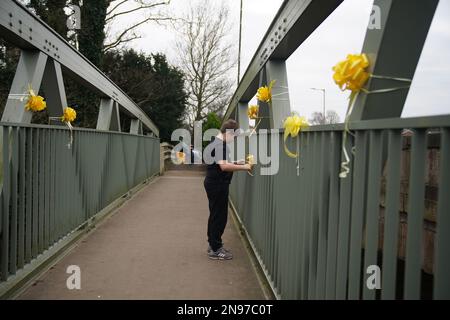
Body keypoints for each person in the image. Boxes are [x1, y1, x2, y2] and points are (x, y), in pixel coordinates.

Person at [203, 119, 252, 260]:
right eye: (234, 136)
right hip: (217, 185)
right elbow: (223, 167)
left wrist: (236, 163)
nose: (233, 140)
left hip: (212, 183)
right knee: (219, 217)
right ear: (229, 133)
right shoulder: (221, 146)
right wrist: (244, 167)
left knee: (215, 215)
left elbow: (219, 163)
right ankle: (216, 249)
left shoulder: (215, 143)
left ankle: (213, 245)